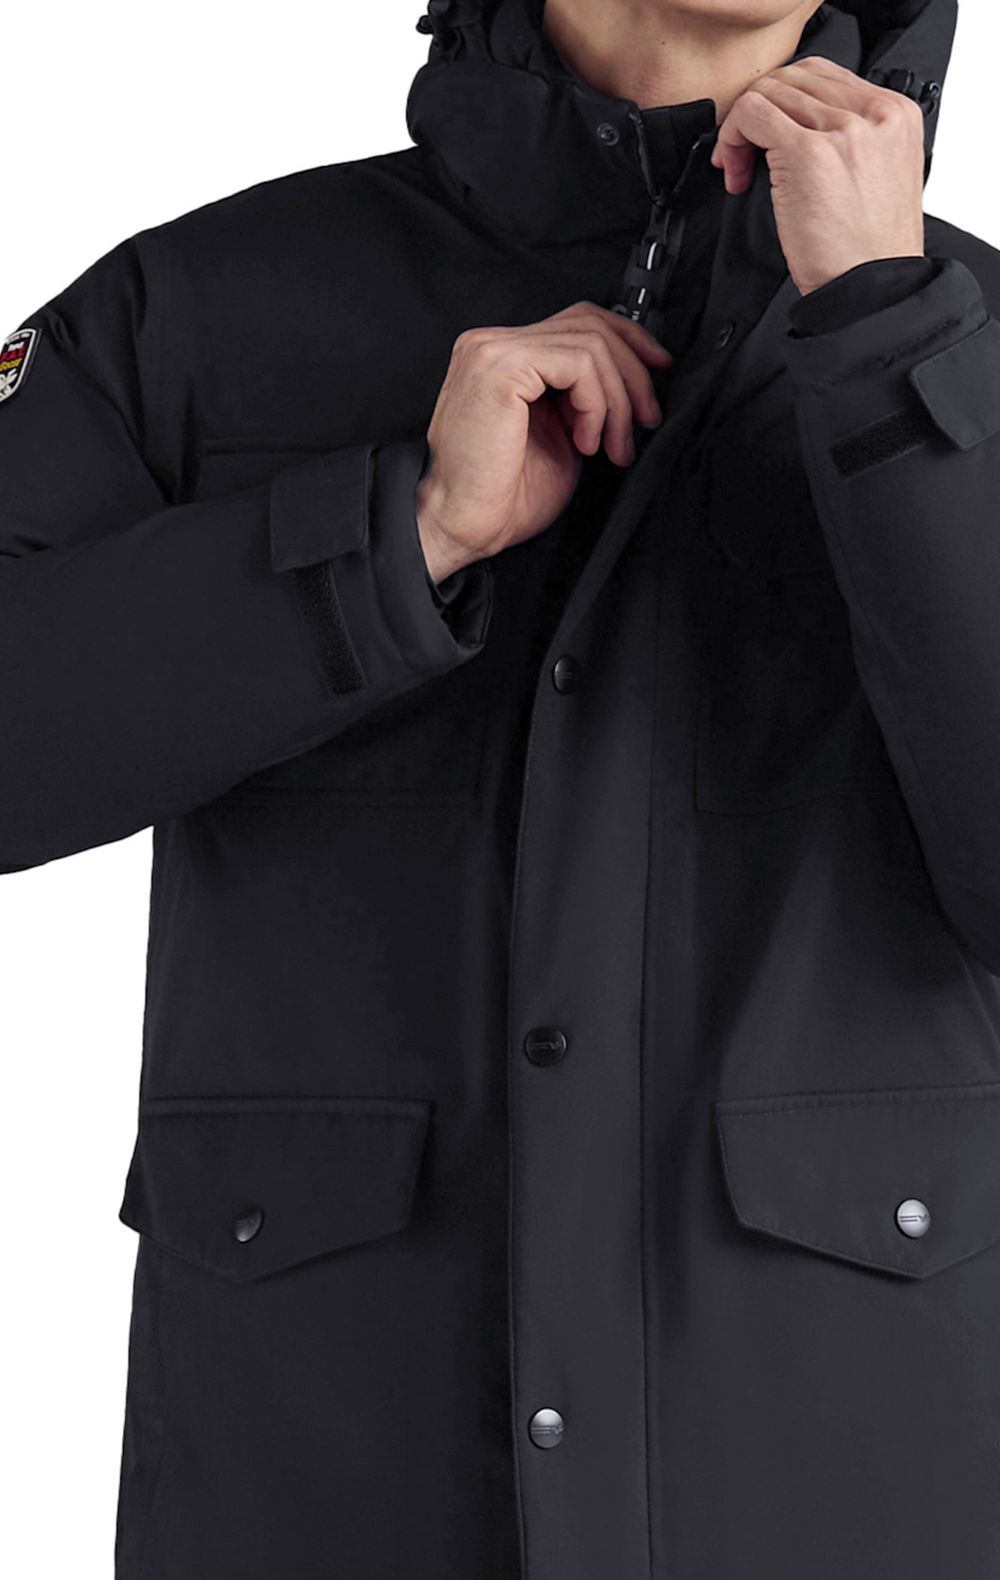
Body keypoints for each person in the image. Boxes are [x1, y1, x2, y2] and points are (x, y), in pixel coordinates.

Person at [2, 0, 998, 1575]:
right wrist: (393, 544)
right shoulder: (200, 314)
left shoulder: (968, 341)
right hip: (325, 1496)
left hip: (836, 1495)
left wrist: (890, 342)